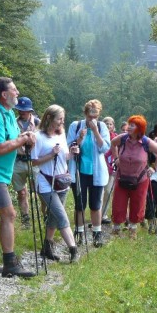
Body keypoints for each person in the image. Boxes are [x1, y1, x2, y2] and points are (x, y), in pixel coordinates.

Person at [0, 77, 36, 278]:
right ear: (4, 95)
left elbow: (13, 142)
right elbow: (0, 148)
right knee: (9, 214)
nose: (17, 93)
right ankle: (10, 262)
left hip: (2, 173)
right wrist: (22, 139)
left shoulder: (9, 114)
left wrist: (27, 140)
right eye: (14, 90)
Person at [31, 105, 80, 263]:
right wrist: (50, 154)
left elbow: (64, 157)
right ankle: (73, 249)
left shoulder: (61, 134)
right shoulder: (38, 136)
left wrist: (72, 153)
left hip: (62, 181)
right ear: (49, 118)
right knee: (61, 217)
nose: (62, 122)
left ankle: (47, 247)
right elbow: (34, 161)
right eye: (59, 118)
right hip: (46, 183)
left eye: (63, 119)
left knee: (53, 217)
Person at [110, 115, 157, 239]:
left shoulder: (146, 142)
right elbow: (112, 144)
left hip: (140, 180)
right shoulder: (123, 138)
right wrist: (116, 158)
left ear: (139, 128)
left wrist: (153, 168)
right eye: (129, 124)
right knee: (118, 203)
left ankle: (132, 230)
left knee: (137, 204)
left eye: (132, 125)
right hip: (122, 177)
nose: (128, 127)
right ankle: (116, 229)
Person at [67, 100, 111, 247]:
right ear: (85, 113)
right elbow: (69, 147)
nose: (93, 119)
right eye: (90, 115)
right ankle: (79, 232)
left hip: (96, 172)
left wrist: (96, 132)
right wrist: (79, 138)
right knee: (80, 204)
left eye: (96, 115)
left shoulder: (102, 126)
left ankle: (96, 234)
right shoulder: (76, 126)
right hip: (79, 170)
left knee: (95, 204)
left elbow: (105, 148)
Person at [12, 96, 41, 230]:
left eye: (24, 110)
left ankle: (44, 214)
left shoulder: (38, 123)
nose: (21, 112)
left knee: (40, 190)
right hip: (18, 161)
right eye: (19, 110)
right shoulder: (12, 122)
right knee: (21, 192)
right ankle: (25, 217)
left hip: (34, 161)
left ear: (30, 110)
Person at [100, 116, 119, 224]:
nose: (108, 125)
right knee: (100, 192)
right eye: (106, 123)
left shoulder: (116, 138)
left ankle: (103, 214)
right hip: (100, 168)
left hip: (112, 168)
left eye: (110, 124)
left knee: (108, 191)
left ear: (113, 126)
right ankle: (97, 213)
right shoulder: (98, 136)